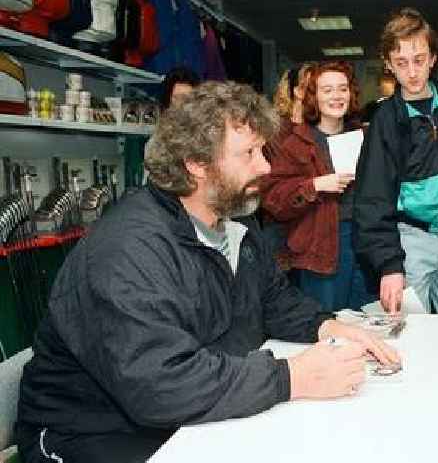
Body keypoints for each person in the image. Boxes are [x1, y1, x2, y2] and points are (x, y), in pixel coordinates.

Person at [15, 81, 400, 463]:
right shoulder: (130, 249)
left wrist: (328, 326)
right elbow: (159, 384)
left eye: (262, 151)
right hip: (89, 430)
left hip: (171, 413)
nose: (264, 167)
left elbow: (273, 300)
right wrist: (290, 379)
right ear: (196, 164)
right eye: (248, 154)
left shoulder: (233, 226)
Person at [353, 8, 438, 314]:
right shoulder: (384, 121)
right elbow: (372, 199)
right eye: (401, 63)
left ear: (433, 58)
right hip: (410, 241)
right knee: (407, 332)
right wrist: (388, 264)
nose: (412, 71)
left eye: (419, 60)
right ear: (388, 64)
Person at [262, 61, 376, 311]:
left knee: (369, 322)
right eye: (327, 90)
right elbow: (273, 199)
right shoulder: (297, 143)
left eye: (342, 89)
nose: (336, 96)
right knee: (328, 326)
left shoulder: (365, 137)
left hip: (366, 243)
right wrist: (314, 185)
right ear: (314, 97)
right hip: (320, 248)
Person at [260, 63, 312, 263]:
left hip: (311, 222)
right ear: (295, 90)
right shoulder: (274, 130)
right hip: (279, 224)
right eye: (308, 86)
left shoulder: (319, 128)